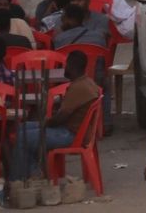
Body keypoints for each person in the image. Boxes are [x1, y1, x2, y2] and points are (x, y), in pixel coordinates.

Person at [10, 51, 100, 181]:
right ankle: (34, 171)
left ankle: (17, 180)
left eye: (66, 65)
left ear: (71, 66)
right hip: (74, 129)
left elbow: (61, 117)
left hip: (71, 134)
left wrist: (46, 123)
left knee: (24, 137)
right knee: (21, 128)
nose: (64, 68)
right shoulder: (88, 82)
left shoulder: (78, 87)